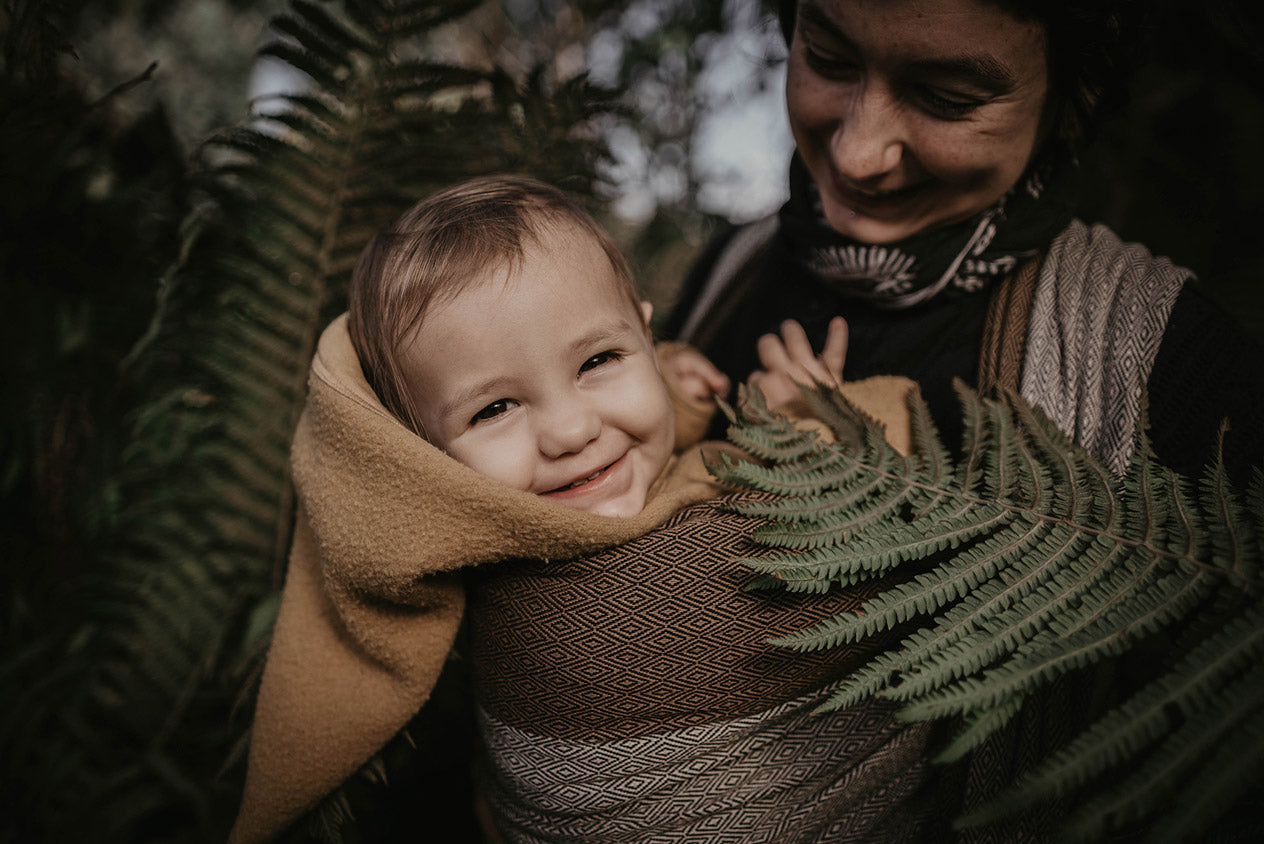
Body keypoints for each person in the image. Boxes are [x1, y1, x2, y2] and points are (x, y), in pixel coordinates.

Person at [667, 0, 1264, 839]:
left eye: (945, 98)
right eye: (830, 59)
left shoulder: (1170, 369)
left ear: (1075, 95)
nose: (857, 152)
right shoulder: (728, 272)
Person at [229, 175, 916, 844]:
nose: (570, 431)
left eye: (598, 361)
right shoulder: (470, 539)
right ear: (422, 459)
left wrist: (705, 397)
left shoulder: (637, 421)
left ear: (647, 340)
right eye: (494, 407)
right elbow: (871, 467)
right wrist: (819, 422)